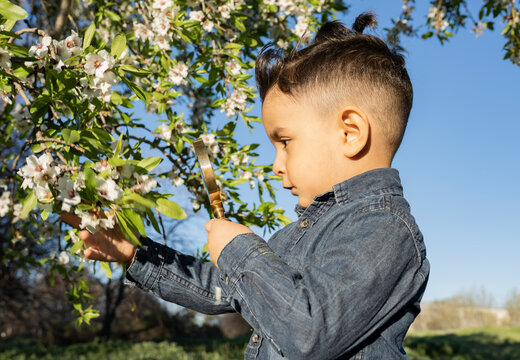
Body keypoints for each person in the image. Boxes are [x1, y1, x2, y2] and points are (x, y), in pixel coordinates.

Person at [62, 12, 429, 359]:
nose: (275, 165)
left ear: (350, 133)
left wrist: (238, 249)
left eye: (284, 141)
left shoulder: (384, 228)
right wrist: (133, 252)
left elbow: (308, 331)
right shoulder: (300, 234)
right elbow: (225, 289)